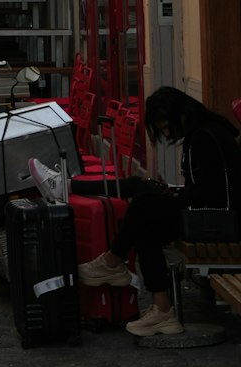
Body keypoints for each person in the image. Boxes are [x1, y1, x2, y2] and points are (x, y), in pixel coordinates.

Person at [78, 85, 241, 336]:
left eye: (166, 127)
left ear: (180, 116)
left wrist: (174, 194)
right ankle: (160, 309)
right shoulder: (205, 132)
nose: (167, 134)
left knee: (144, 205)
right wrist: (173, 193)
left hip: (219, 221)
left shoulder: (204, 138)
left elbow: (211, 194)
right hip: (214, 216)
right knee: (146, 222)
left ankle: (113, 262)